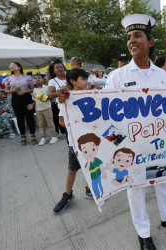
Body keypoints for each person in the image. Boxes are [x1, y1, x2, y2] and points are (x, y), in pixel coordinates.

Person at [105, 14, 166, 250]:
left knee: (163, 180)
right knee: (136, 189)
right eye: (129, 37)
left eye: (138, 36)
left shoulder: (162, 76)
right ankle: (143, 233)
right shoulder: (117, 77)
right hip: (132, 148)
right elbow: (104, 116)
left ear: (150, 42)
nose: (132, 41)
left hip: (158, 145)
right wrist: (122, 144)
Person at [53, 68, 92, 214]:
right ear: (73, 81)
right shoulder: (67, 98)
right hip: (75, 142)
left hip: (91, 140)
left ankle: (90, 189)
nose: (86, 82)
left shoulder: (93, 95)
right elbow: (61, 121)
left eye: (86, 78)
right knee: (72, 170)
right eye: (82, 79)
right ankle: (67, 195)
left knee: (91, 164)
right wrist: (76, 125)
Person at [4, 62, 36, 145]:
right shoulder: (8, 78)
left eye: (13, 65)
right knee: (19, 118)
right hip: (15, 98)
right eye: (10, 66)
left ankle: (33, 135)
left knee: (29, 117)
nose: (11, 66)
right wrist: (12, 90)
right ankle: (23, 136)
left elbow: (33, 89)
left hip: (26, 97)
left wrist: (25, 91)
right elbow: (6, 90)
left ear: (19, 67)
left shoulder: (27, 77)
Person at [32, 73, 58, 146]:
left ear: (43, 79)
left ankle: (54, 136)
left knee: (50, 123)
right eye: (36, 78)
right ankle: (43, 137)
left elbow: (51, 97)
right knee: (41, 125)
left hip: (47, 108)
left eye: (39, 78)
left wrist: (45, 98)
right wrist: (32, 105)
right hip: (38, 109)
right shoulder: (34, 90)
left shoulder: (47, 88)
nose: (37, 80)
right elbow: (35, 100)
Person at [48, 59, 67, 138]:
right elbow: (50, 95)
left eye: (61, 67)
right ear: (54, 71)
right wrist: (58, 93)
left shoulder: (70, 77)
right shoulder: (52, 81)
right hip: (63, 107)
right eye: (57, 68)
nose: (60, 69)